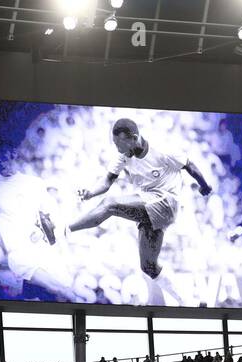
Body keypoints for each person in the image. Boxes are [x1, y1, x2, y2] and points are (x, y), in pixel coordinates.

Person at [59, 117, 212, 306]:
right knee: (148, 266)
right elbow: (107, 181)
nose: (117, 148)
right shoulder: (124, 155)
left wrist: (204, 186)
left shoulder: (162, 149)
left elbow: (189, 165)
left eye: (120, 144)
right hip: (149, 208)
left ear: (134, 138)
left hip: (166, 202)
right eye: (115, 143)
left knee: (110, 204)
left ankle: (63, 230)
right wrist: (90, 193)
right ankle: (189, 301)